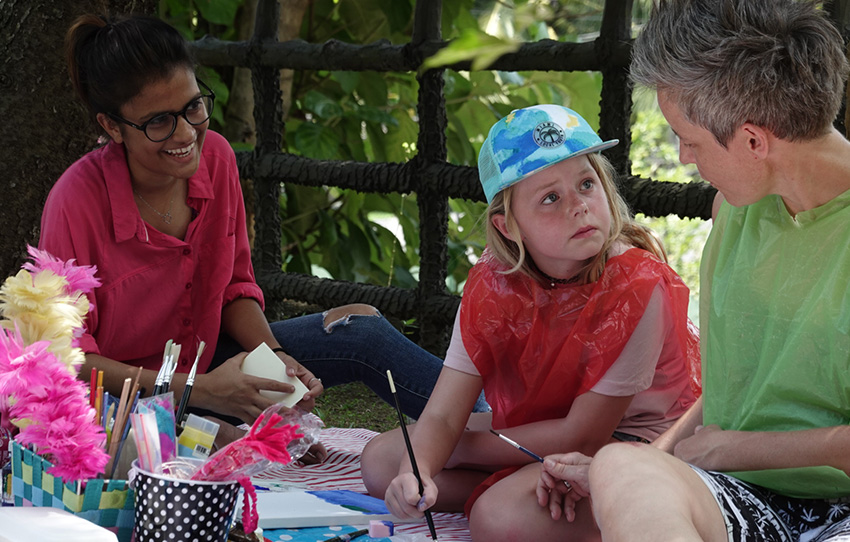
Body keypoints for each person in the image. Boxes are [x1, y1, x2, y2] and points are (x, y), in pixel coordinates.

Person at [42, 14, 487, 436]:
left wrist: (275, 356)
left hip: (210, 370)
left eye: (193, 106)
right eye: (159, 121)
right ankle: (206, 430)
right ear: (112, 126)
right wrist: (201, 393)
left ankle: (497, 430)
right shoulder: (75, 202)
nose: (186, 134)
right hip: (118, 402)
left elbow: (234, 288)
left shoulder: (216, 158)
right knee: (218, 443)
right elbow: (69, 361)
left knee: (360, 329)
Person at [544, 1, 850, 540]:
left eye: (689, 140)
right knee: (592, 476)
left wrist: (737, 450)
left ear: (753, 141)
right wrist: (643, 467)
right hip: (738, 492)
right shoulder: (734, 207)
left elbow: (725, 444)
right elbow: (735, 391)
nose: (685, 157)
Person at [360, 104, 701, 541]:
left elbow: (583, 435)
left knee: (498, 518)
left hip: (632, 445)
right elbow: (444, 414)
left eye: (586, 184)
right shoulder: (491, 282)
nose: (579, 206)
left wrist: (457, 449)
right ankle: (514, 489)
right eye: (550, 198)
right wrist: (419, 469)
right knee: (382, 463)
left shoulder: (639, 286)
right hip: (545, 430)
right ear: (508, 226)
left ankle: (532, 498)